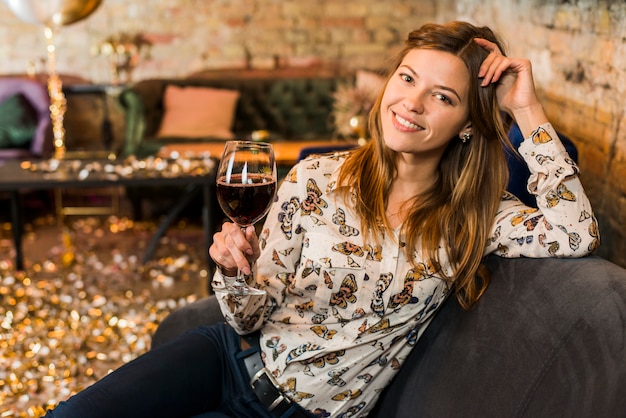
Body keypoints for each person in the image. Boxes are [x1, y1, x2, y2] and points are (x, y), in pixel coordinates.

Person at [44, 21, 599, 418]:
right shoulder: (317, 177)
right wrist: (235, 273)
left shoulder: (475, 217)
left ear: (468, 124)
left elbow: (576, 233)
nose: (411, 104)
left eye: (443, 96)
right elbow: (247, 317)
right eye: (406, 79)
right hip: (227, 360)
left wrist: (524, 109)